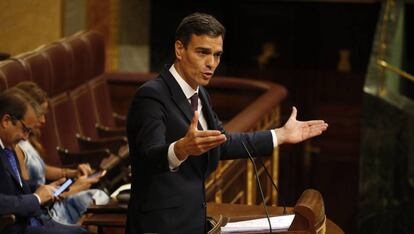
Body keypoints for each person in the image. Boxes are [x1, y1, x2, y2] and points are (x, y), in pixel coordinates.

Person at [126, 12, 328, 233]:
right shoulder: (151, 96)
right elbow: (147, 156)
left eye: (217, 55)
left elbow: (222, 142)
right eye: (203, 52)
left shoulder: (200, 93)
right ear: (179, 49)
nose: (211, 63)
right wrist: (180, 149)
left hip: (192, 221)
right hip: (160, 226)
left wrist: (280, 135)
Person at [11, 82, 109, 225]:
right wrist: (74, 188)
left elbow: (41, 169)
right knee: (97, 200)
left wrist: (71, 173)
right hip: (47, 211)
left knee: (99, 197)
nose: (43, 120)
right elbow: (30, 198)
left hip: (51, 200)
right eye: (40, 114)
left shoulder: (25, 141)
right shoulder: (16, 147)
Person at [0, 91, 88, 234]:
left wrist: (44, 189)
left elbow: (18, 186)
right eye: (25, 130)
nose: (25, 138)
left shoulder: (8, 146)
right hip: (14, 228)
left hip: (34, 221)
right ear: (6, 121)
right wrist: (36, 198)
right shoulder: (9, 145)